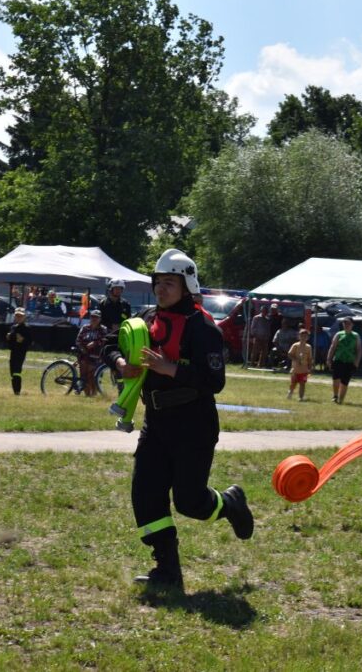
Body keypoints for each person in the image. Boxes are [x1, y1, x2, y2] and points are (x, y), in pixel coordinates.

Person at [107, 248, 253, 590]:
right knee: (145, 494)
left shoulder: (202, 327)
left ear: (187, 285)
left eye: (169, 283)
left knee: (190, 502)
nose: (161, 289)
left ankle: (230, 502)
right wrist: (119, 363)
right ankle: (167, 570)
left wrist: (169, 368)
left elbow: (214, 381)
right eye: (158, 282)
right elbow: (112, 345)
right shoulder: (145, 317)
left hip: (194, 425)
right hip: (155, 422)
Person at [326, 317, 362, 404]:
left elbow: (359, 349)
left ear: (352, 324)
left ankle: (341, 399)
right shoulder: (339, 334)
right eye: (344, 323)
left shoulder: (356, 335)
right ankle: (335, 396)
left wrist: (357, 362)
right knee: (336, 379)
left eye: (348, 323)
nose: (346, 325)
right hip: (338, 359)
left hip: (349, 361)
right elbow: (333, 347)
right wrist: (329, 359)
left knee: (345, 381)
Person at [76, 308, 108, 396]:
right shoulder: (85, 328)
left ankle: (93, 394)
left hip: (96, 355)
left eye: (96, 317)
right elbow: (78, 340)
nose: (94, 319)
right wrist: (83, 349)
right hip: (84, 354)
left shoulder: (103, 329)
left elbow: (104, 340)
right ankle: (87, 394)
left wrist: (95, 343)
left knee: (92, 375)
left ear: (100, 319)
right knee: (83, 375)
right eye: (92, 317)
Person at [6, 307, 32, 395]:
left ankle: (17, 391)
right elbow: (10, 342)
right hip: (13, 352)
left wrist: (22, 340)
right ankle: (15, 390)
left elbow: (30, 342)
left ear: (24, 317)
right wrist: (9, 338)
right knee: (12, 372)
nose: (18, 318)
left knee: (17, 371)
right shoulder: (13, 327)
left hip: (21, 352)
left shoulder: (27, 328)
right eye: (17, 316)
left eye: (20, 316)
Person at [288, 328, 313, 401]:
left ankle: (301, 397)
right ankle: (290, 392)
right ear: (299, 336)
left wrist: (310, 368)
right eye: (302, 336)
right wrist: (296, 359)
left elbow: (310, 358)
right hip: (295, 369)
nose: (303, 338)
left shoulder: (309, 347)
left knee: (302, 383)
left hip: (304, 369)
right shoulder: (295, 345)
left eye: (305, 336)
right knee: (293, 383)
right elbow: (289, 354)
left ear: (307, 337)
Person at [249, 304, 271, 368]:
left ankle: (261, 364)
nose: (265, 312)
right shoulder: (256, 318)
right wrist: (255, 335)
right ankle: (252, 364)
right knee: (255, 351)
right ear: (261, 311)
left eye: (266, 311)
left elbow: (268, 329)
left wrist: (267, 336)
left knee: (264, 352)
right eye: (264, 310)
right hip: (257, 337)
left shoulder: (268, 319)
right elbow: (253, 327)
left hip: (265, 338)